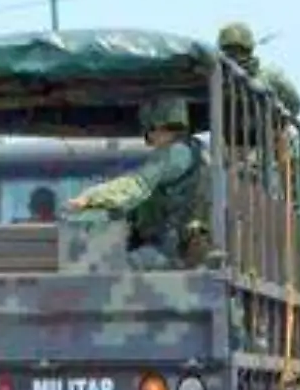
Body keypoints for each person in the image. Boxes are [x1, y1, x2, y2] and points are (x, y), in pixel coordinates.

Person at [64, 97, 208, 268]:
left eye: (149, 133)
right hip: (175, 245)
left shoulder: (177, 154)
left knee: (114, 271)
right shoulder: (194, 152)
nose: (150, 141)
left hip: (170, 249)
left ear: (157, 128)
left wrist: (90, 198)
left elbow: (137, 185)